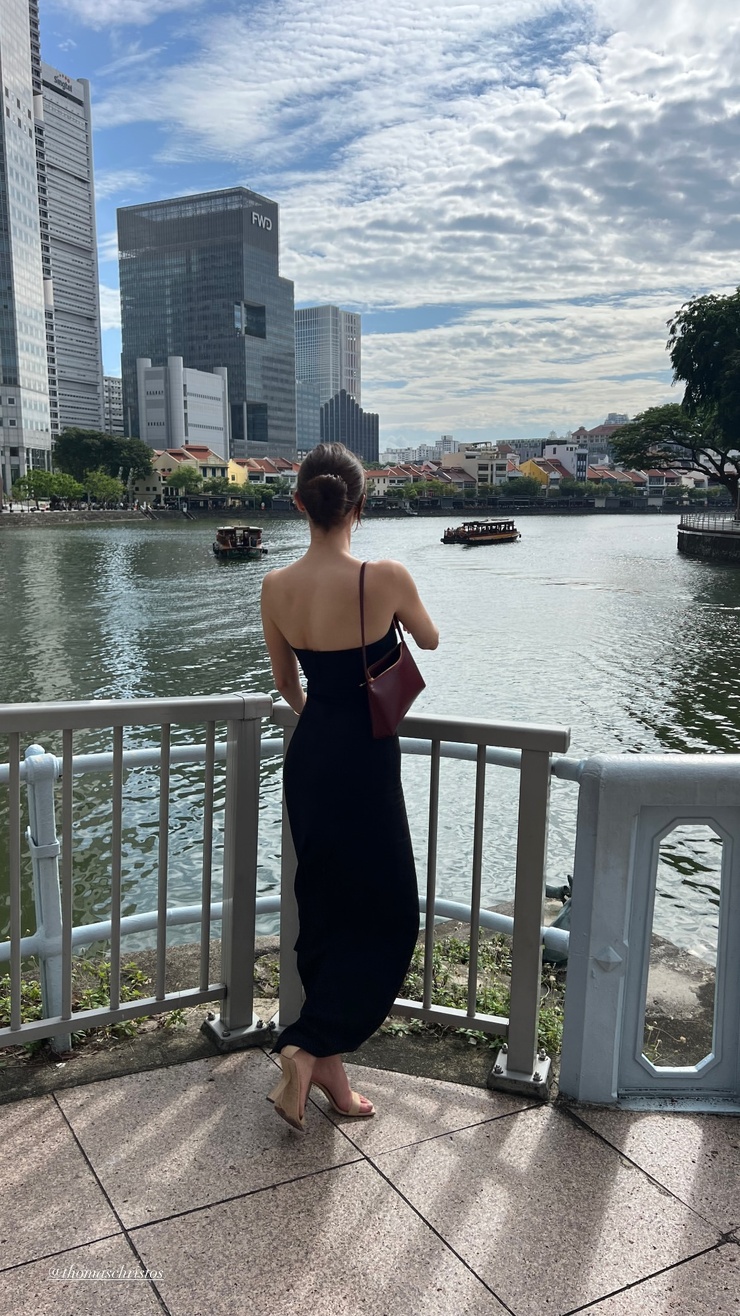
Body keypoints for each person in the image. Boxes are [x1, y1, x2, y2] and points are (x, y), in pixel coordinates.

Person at [260, 443, 439, 1132]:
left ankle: (324, 1068)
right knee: (391, 912)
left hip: (311, 757)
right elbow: (430, 638)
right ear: (359, 506)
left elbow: (287, 685)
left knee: (324, 905)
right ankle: (308, 1048)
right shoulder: (384, 576)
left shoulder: (275, 586)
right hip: (367, 757)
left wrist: (325, 719)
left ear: (300, 503)